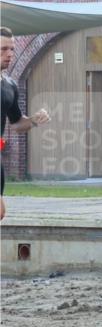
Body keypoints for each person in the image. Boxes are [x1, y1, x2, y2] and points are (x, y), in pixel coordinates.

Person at [1, 26, 50, 221]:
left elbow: (16, 123)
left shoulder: (9, 85)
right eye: (3, 49)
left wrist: (34, 121)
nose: (10, 54)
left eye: (12, 49)